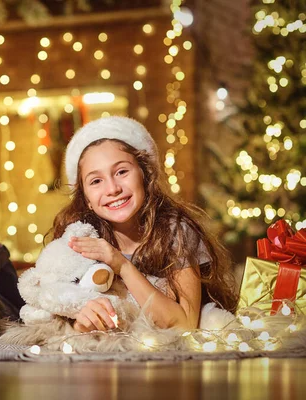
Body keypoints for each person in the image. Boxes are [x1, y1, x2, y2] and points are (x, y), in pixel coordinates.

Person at [50, 116, 237, 333]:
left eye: (121, 172)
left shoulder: (177, 231)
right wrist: (81, 318)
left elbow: (184, 324)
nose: (112, 189)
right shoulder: (79, 238)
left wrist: (122, 265)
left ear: (145, 175)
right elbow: (56, 310)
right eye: (96, 181)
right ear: (86, 200)